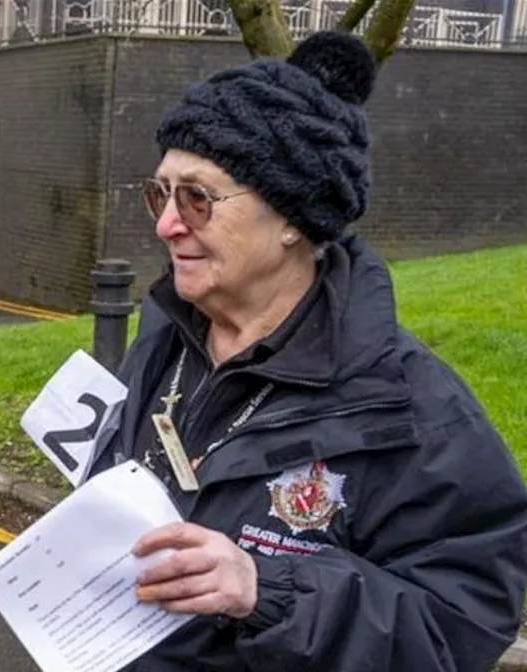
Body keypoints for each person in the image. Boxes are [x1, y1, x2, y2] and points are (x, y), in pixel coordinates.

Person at [81, 31, 527, 670]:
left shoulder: (414, 410)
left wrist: (266, 591)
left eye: (197, 198)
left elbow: (458, 626)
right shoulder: (164, 337)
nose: (166, 224)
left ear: (293, 217)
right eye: (160, 192)